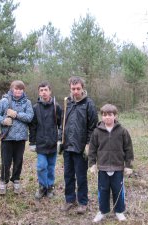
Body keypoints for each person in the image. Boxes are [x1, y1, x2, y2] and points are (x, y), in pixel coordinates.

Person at [88, 104, 134, 223]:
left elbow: (128, 148)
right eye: (104, 115)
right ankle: (103, 211)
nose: (107, 117)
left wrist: (128, 165)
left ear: (115, 116)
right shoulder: (97, 132)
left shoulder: (122, 131)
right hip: (102, 168)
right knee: (103, 190)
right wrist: (92, 164)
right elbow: (92, 149)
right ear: (101, 116)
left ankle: (119, 211)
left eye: (110, 115)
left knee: (118, 190)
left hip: (118, 167)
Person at [59, 76, 98, 214]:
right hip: (67, 146)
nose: (75, 91)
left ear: (82, 88)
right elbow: (62, 124)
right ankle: (70, 200)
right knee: (68, 175)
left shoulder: (89, 104)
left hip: (81, 147)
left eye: (78, 89)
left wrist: (89, 144)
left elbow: (93, 127)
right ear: (70, 88)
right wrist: (60, 140)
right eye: (73, 89)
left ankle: (83, 202)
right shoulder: (66, 102)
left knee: (81, 176)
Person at [0, 80, 34, 195]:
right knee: (6, 161)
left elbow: (30, 117)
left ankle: (16, 180)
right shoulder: (4, 101)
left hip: (21, 138)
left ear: (23, 90)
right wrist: (3, 120)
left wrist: (16, 114)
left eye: (21, 89)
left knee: (18, 161)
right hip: (7, 137)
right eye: (16, 88)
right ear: (12, 89)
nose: (18, 91)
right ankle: (3, 182)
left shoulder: (27, 102)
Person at [29, 81, 62, 199]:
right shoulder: (35, 107)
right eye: (41, 90)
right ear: (39, 93)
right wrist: (32, 142)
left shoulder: (56, 107)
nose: (44, 92)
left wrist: (59, 140)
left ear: (50, 91)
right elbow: (32, 126)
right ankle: (42, 186)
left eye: (46, 90)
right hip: (40, 143)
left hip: (53, 142)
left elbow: (61, 125)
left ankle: (50, 187)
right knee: (41, 166)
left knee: (51, 167)